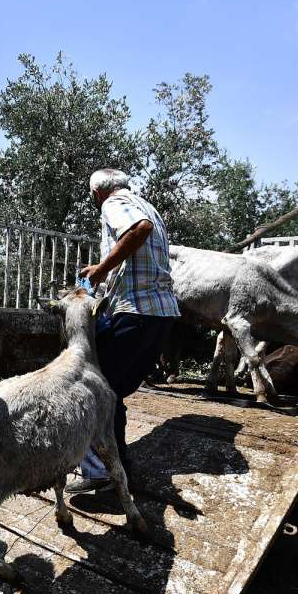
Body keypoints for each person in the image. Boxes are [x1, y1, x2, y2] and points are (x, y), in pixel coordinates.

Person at [68, 168, 180, 494]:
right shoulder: (149, 206)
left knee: (94, 388)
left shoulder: (113, 204)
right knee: (113, 392)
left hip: (137, 312)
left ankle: (100, 470)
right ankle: (118, 467)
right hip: (161, 315)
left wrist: (100, 271)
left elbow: (138, 229)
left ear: (97, 193)